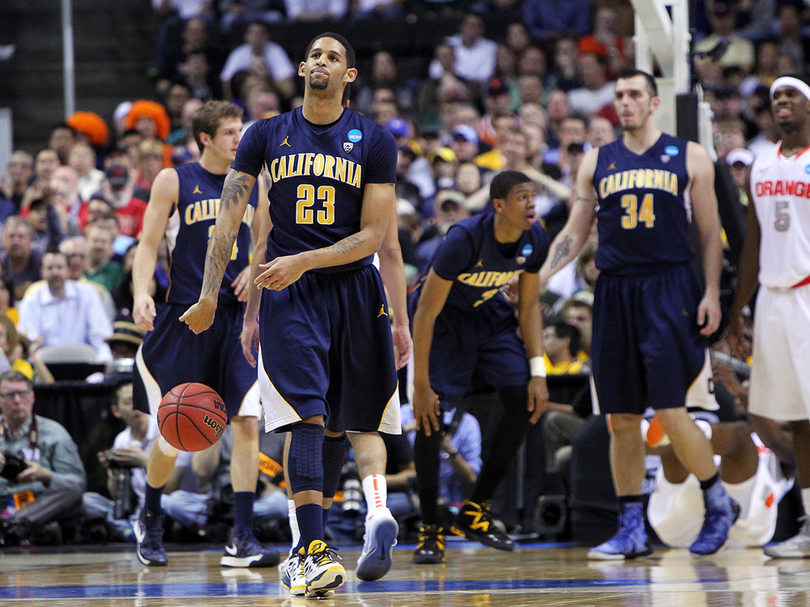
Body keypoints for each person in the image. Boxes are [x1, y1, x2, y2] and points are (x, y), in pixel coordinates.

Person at [181, 33, 401, 597]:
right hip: (289, 293)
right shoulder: (265, 134)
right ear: (301, 68)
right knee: (306, 417)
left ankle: (350, 528)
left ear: (349, 75)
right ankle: (324, 541)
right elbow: (230, 223)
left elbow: (375, 236)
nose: (322, 62)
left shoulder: (374, 139)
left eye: (335, 57)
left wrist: (301, 261)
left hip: (346, 284)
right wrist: (213, 298)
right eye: (315, 55)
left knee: (360, 416)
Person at [539, 68, 738, 559]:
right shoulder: (596, 162)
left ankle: (717, 501)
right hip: (615, 292)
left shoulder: (689, 156)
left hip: (670, 288)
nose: (624, 102)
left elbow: (710, 234)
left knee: (672, 412)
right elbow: (575, 231)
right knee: (620, 419)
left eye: (634, 95)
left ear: (653, 103)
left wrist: (711, 291)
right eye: (619, 95)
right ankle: (629, 526)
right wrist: (537, 276)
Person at [130, 99, 279, 570]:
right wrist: (140, 293)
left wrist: (256, 271)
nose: (240, 138)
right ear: (205, 139)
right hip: (188, 315)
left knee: (246, 422)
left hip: (239, 319)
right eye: (231, 131)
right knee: (175, 429)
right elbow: (148, 243)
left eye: (242, 130)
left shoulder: (257, 182)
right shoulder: (175, 179)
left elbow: (267, 241)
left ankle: (241, 534)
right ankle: (150, 515)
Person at [410, 171, 549, 563]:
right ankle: (430, 528)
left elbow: (529, 306)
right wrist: (420, 382)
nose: (532, 205)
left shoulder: (535, 237)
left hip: (487, 314)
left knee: (524, 399)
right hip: (441, 321)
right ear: (499, 205)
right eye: (522, 197)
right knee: (430, 416)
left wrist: (538, 371)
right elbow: (425, 311)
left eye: (533, 197)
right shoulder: (464, 239)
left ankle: (476, 510)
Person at [728, 75, 810, 558]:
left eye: (791, 95)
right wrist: (738, 310)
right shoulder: (760, 164)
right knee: (788, 417)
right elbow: (752, 245)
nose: (781, 102)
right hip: (774, 299)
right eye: (776, 97)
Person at [0, 370, 86, 546]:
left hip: (39, 503)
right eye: (9, 395)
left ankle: (12, 525)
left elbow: (78, 482)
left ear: (32, 396)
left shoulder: (54, 433)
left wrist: (46, 476)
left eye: (22, 394)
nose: (17, 401)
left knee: (73, 491)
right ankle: (22, 529)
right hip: (2, 499)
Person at [17, 251, 114, 362]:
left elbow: (100, 336)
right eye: (50, 268)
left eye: (59, 267)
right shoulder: (30, 302)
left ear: (68, 270)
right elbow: (31, 341)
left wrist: (104, 360)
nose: (55, 272)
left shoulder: (88, 294)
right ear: (42, 272)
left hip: (84, 363)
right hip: (46, 365)